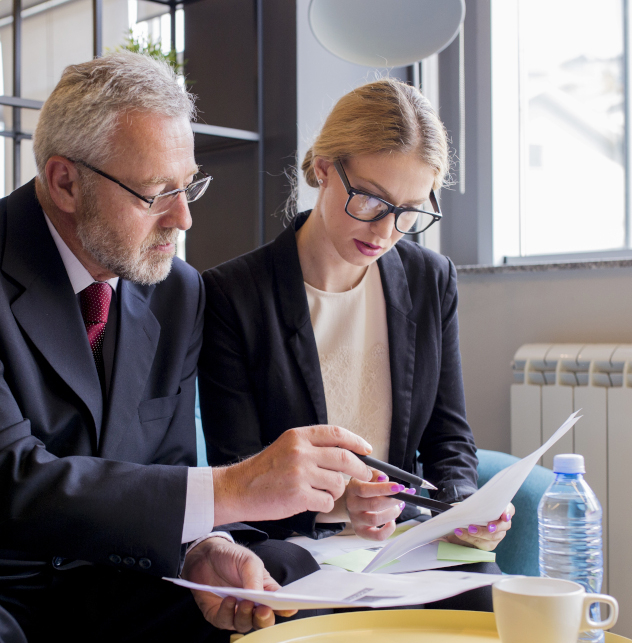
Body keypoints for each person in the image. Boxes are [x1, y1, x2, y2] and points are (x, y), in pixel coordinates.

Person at [0, 52, 377, 643]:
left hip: (100, 574)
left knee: (285, 581)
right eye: (156, 193)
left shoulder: (178, 291)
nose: (183, 218)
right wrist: (234, 488)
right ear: (64, 182)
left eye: (189, 186)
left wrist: (204, 547)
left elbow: (166, 467)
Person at [199, 79, 514, 582]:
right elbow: (240, 470)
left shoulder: (430, 279)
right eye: (371, 200)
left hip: (404, 541)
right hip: (292, 545)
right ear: (325, 168)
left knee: (492, 606)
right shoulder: (232, 294)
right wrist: (342, 501)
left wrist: (463, 507)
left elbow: (449, 437)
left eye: (410, 211)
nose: (386, 231)